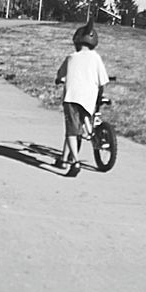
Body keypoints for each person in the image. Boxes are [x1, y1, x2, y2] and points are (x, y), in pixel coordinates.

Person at [55, 20, 109, 177]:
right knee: (85, 118)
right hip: (89, 98)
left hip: (72, 97)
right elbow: (102, 80)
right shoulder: (96, 58)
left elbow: (60, 75)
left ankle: (75, 162)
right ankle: (65, 158)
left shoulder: (71, 57)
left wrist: (59, 79)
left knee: (71, 130)